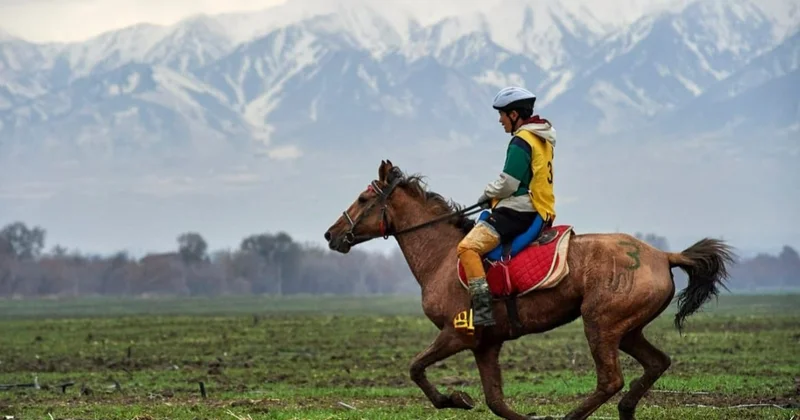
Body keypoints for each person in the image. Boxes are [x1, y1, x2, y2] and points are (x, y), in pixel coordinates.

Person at [456, 86, 558, 327]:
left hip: (517, 211)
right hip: (540, 210)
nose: (500, 120)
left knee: (467, 248)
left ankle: (482, 313)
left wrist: (486, 194)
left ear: (514, 114)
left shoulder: (521, 140)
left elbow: (508, 183)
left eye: (502, 114)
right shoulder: (542, 139)